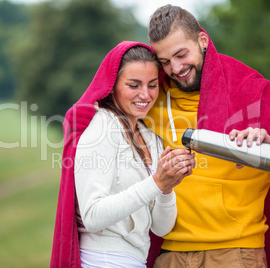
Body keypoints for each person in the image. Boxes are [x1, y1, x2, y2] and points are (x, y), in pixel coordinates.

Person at [143, 4, 270, 268]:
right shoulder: (151, 98)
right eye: (165, 61)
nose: (176, 68)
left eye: (181, 54)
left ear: (202, 41)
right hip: (170, 255)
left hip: (237, 253)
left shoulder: (248, 86)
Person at [50, 41, 195, 268]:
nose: (145, 95)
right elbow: (93, 216)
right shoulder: (102, 126)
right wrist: (156, 182)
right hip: (101, 261)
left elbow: (161, 227)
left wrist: (167, 187)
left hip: (136, 261)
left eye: (152, 85)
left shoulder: (150, 137)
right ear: (113, 85)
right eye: (134, 85)